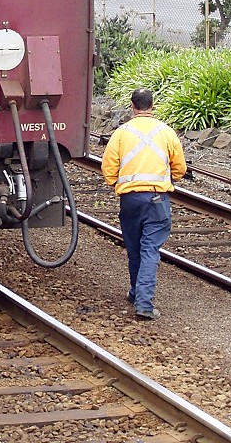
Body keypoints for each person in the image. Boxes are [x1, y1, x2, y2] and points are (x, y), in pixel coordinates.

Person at [101, 88, 186, 320]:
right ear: (152, 105)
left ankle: (136, 293)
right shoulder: (166, 132)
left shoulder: (121, 132)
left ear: (132, 106)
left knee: (135, 248)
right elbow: (180, 168)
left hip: (129, 199)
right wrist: (170, 178)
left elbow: (108, 168)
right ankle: (144, 304)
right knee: (150, 249)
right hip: (157, 199)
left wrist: (116, 184)